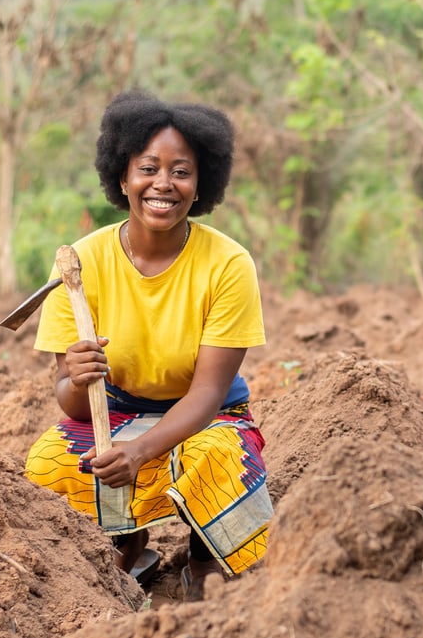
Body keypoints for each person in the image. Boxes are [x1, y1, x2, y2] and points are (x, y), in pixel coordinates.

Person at [25, 89, 271, 601]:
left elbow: (206, 395)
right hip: (116, 412)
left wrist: (137, 452)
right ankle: (125, 541)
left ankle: (205, 558)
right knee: (49, 460)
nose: (163, 184)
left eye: (181, 171)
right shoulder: (79, 263)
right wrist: (77, 375)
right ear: (122, 177)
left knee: (221, 455)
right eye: (148, 168)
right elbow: (70, 401)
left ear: (201, 184)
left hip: (208, 416)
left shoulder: (228, 265)